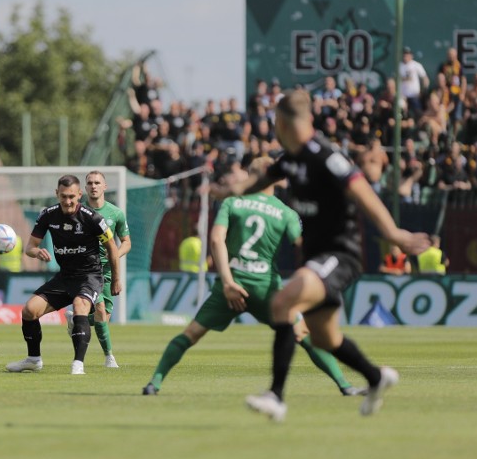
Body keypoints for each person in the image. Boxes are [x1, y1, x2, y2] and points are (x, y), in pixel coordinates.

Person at [214, 89, 429, 422]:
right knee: (325, 338)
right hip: (317, 255)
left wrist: (393, 234)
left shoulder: (325, 155)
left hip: (340, 254)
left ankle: (276, 396)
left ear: (281, 122)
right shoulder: (290, 158)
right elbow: (263, 179)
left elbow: (361, 190)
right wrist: (232, 190)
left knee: (284, 302)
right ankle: (376, 377)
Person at [143, 157, 364, 397]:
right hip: (266, 288)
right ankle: (345, 386)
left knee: (191, 334)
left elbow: (216, 240)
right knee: (302, 334)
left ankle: (154, 383)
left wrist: (228, 283)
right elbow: (303, 245)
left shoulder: (233, 203)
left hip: (230, 286)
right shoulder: (286, 213)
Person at [5, 175, 120, 375]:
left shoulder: (92, 218)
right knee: (29, 311)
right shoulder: (48, 215)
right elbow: (30, 247)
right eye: (63, 196)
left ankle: (78, 364)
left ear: (79, 195)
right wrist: (37, 252)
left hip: (89, 276)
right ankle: (33, 360)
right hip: (65, 277)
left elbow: (112, 247)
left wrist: (116, 279)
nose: (67, 202)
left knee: (79, 307)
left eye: (72, 197)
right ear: (56, 194)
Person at [65, 171, 131, 368]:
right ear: (85, 189)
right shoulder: (78, 213)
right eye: (90, 183)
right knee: (100, 309)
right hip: (87, 270)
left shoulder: (116, 213)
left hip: (108, 270)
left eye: (97, 183)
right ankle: (109, 357)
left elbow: (126, 242)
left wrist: (114, 257)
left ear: (105, 187)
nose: (93, 186)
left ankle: (76, 320)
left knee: (104, 318)